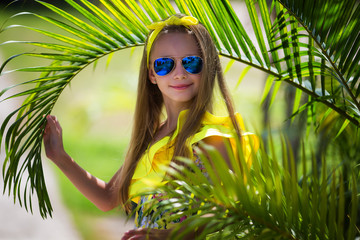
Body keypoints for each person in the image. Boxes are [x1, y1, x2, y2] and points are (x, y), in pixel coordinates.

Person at [43, 14, 258, 239]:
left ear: (208, 68)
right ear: (152, 74)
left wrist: (161, 236)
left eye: (191, 62)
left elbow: (222, 214)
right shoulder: (153, 139)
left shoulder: (213, 139)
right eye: (165, 64)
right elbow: (107, 198)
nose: (179, 73)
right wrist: (60, 157)